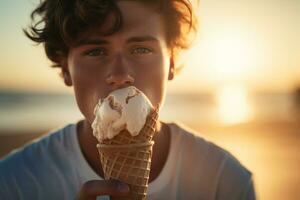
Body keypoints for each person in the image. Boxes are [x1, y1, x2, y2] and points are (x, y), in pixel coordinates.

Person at [0, 0, 255, 199]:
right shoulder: (13, 182)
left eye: (141, 49)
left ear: (171, 63)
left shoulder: (226, 182)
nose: (121, 76)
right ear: (66, 69)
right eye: (95, 51)